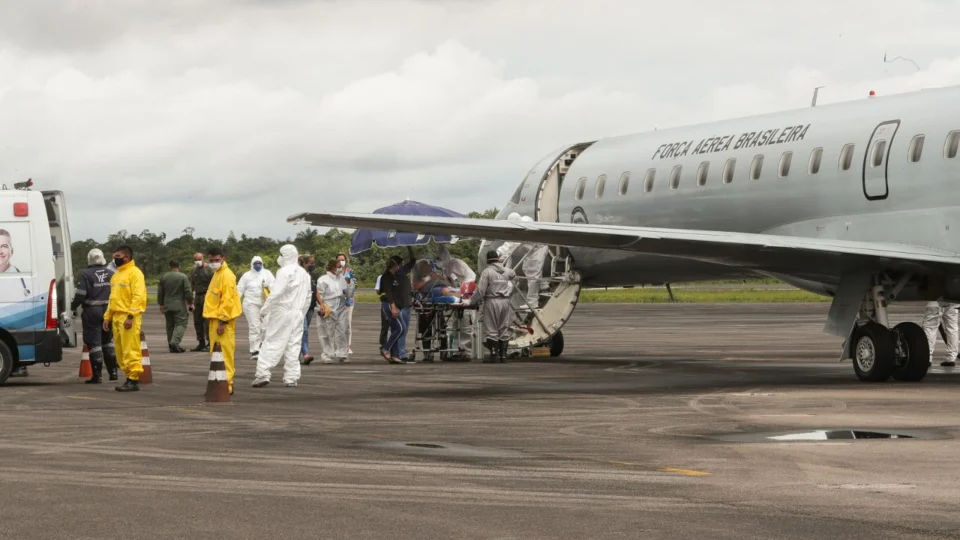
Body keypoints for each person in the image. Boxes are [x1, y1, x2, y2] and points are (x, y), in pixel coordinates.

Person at [252, 244, 312, 388]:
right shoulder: (304, 274)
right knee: (293, 344)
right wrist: (301, 313)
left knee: (272, 341)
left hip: (282, 312)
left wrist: (264, 310)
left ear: (285, 256)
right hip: (297, 313)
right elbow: (308, 297)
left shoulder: (284, 271)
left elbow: (276, 293)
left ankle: (262, 374)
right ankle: (291, 377)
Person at [103, 245, 147, 391]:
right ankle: (128, 376)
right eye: (114, 256)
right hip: (116, 316)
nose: (115, 259)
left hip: (129, 317)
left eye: (118, 257)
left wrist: (131, 316)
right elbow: (112, 298)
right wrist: (107, 317)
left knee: (130, 348)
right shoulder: (116, 275)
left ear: (126, 257)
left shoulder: (135, 274)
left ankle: (133, 379)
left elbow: (138, 297)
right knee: (120, 351)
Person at [71, 248, 118, 383]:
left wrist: (73, 307)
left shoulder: (86, 274)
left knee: (94, 343)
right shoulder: (111, 273)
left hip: (92, 311)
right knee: (108, 342)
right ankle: (113, 372)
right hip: (108, 311)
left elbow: (80, 294)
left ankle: (97, 376)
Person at [203, 247, 242, 395]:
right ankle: (219, 383)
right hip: (214, 320)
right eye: (211, 260)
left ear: (223, 258)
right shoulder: (217, 274)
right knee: (216, 354)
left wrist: (222, 321)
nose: (213, 263)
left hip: (222, 322)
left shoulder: (226, 275)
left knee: (224, 354)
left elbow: (227, 300)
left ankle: (227, 385)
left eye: (216, 260)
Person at [467, 250, 517, 363]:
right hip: (505, 301)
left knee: (491, 328)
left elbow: (481, 290)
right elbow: (515, 278)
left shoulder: (487, 272)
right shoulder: (508, 271)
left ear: (487, 260)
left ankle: (494, 355)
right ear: (498, 259)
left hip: (491, 301)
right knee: (503, 328)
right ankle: (503, 356)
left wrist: (472, 301)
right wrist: (509, 291)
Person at [380, 248, 416, 364]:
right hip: (391, 305)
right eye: (398, 265)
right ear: (394, 265)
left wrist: (409, 248)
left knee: (398, 329)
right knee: (401, 328)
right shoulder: (386, 276)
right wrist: (393, 306)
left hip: (398, 305)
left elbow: (412, 261)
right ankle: (386, 348)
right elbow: (388, 293)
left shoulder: (396, 275)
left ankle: (395, 355)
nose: (399, 267)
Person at [237, 255, 275, 361]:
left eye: (259, 263)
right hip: (251, 303)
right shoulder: (246, 276)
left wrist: (268, 286)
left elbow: (275, 287)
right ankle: (255, 350)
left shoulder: (268, 274)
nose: (257, 265)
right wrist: (235, 303)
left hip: (265, 304)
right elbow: (239, 290)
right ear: (252, 264)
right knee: (254, 326)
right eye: (255, 263)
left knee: (266, 326)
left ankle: (263, 346)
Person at [317, 259, 350, 363]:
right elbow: (319, 294)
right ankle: (327, 354)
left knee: (343, 331)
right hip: (328, 308)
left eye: (341, 266)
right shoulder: (323, 279)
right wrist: (321, 306)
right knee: (327, 332)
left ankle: (342, 353)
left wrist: (350, 282)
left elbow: (348, 293)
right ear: (331, 267)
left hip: (341, 308)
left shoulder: (343, 279)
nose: (340, 268)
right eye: (338, 266)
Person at [157, 259, 193, 353]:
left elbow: (160, 292)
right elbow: (187, 291)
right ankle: (175, 342)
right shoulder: (183, 277)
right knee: (181, 323)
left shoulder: (164, 277)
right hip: (179, 304)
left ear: (170, 267)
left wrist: (161, 304)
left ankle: (171, 346)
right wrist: (190, 302)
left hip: (167, 305)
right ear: (179, 267)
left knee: (170, 326)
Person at [519, 215, 550, 309]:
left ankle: (532, 302)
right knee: (526, 269)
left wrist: (500, 253)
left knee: (533, 278)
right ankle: (542, 284)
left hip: (536, 254)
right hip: (534, 253)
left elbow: (511, 245)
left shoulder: (526, 233)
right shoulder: (531, 232)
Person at [923, 299, 959, 367]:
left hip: (934, 298)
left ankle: (927, 357)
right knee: (952, 328)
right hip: (953, 300)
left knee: (930, 328)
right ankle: (951, 358)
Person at [190, 252, 214, 352]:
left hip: (207, 296)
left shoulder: (209, 269)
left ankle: (210, 342)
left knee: (207, 321)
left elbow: (214, 283)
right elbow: (192, 284)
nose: (198, 261)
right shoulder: (194, 270)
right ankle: (201, 342)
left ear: (203, 258)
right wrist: (190, 299)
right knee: (197, 321)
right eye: (196, 260)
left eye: (199, 259)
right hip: (198, 297)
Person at [335, 253, 356, 354]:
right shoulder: (333, 272)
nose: (340, 262)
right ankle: (338, 346)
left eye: (342, 260)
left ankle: (348, 346)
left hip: (348, 301)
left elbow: (355, 285)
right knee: (337, 324)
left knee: (348, 324)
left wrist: (348, 282)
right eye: (339, 260)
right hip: (336, 301)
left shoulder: (349, 271)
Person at [299, 255, 318, 364]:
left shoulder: (312, 275)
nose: (312, 265)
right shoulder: (299, 275)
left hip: (310, 307)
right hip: (301, 308)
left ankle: (298, 354)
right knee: (304, 330)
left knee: (303, 331)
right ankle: (306, 354)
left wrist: (321, 304)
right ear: (304, 263)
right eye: (310, 263)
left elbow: (316, 291)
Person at [375, 273, 389, 355]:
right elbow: (378, 291)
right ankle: (383, 345)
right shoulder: (381, 277)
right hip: (386, 301)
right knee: (385, 325)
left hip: (398, 301)